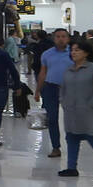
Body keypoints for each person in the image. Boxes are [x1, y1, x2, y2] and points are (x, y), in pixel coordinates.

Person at [59, 40, 93, 178]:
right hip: (71, 112)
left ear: (86, 53)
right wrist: (63, 102)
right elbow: (63, 88)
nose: (73, 52)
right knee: (71, 138)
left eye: (77, 50)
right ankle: (71, 168)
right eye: (72, 50)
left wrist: (91, 103)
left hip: (88, 112)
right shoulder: (69, 70)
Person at [35, 28, 72, 158]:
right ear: (54, 38)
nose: (61, 39)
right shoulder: (47, 54)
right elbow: (42, 73)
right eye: (58, 36)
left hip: (70, 89)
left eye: (63, 36)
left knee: (70, 119)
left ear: (68, 38)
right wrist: (38, 90)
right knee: (52, 119)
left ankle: (72, 145)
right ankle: (56, 147)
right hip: (50, 88)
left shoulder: (74, 53)